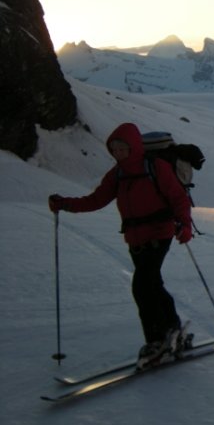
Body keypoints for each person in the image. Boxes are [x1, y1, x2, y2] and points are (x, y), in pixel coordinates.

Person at [48, 122, 193, 368]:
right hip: (136, 239)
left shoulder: (155, 167)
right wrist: (66, 204)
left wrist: (185, 225)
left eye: (122, 148)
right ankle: (173, 328)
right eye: (114, 149)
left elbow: (178, 198)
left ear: (133, 147)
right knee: (153, 283)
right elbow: (95, 200)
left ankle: (156, 341)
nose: (117, 153)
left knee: (142, 285)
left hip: (160, 232)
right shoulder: (117, 174)